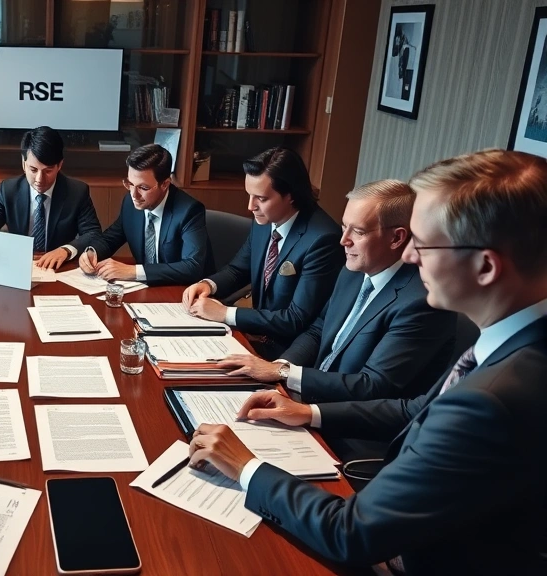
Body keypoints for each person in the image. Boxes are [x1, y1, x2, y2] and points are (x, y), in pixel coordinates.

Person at [187, 149, 547, 574]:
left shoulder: (494, 398)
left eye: (424, 243)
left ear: (485, 267)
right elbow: (416, 409)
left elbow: (351, 534)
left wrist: (246, 467)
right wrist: (306, 410)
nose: (411, 257)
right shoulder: (511, 347)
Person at [216, 180, 456, 403]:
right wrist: (279, 368)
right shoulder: (353, 270)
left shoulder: (422, 302)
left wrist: (284, 373)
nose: (343, 240)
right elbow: (319, 329)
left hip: (348, 426)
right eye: (344, 227)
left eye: (358, 232)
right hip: (306, 393)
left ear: (397, 238)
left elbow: (373, 386)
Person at [183, 147, 342, 359]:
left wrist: (225, 313)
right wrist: (207, 285)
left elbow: (295, 319)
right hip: (255, 337)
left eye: (261, 198)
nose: (250, 206)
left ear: (291, 196)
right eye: (249, 195)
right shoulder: (266, 220)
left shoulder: (322, 240)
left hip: (288, 352)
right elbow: (238, 270)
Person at [0, 126, 101, 269]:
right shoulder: (9, 190)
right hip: (18, 267)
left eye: (48, 171)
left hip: (59, 268)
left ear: (59, 165)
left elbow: (93, 234)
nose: (39, 179)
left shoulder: (76, 191)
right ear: (23, 164)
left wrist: (66, 250)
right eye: (33, 169)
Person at [79, 144, 214, 286]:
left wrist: (133, 271)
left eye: (143, 187)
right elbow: (111, 238)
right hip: (146, 289)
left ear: (165, 184)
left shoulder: (189, 211)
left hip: (185, 291)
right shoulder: (130, 202)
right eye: (130, 184)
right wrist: (92, 252)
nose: (134, 194)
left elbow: (192, 267)